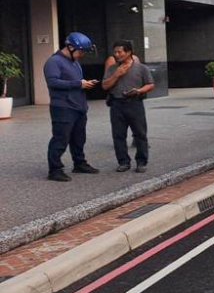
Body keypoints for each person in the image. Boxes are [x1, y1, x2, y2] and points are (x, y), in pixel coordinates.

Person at [44, 32, 100, 182]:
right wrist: (78, 84)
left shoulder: (74, 61)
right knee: (60, 139)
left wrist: (84, 83)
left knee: (79, 138)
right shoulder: (54, 62)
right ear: (69, 47)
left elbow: (75, 82)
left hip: (78, 106)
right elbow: (53, 82)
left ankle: (79, 163)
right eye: (80, 51)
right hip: (63, 107)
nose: (81, 54)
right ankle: (55, 170)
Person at [102, 41, 155, 173]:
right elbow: (104, 86)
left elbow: (150, 84)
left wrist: (138, 91)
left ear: (129, 52)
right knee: (118, 135)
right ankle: (123, 162)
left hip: (135, 103)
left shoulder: (141, 68)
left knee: (140, 134)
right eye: (115, 52)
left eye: (120, 52)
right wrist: (117, 74)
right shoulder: (112, 68)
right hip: (116, 104)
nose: (117, 54)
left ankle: (141, 162)